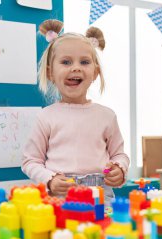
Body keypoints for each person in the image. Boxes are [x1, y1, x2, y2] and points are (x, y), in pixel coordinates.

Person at [22, 19, 129, 206]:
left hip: (101, 199)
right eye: (66, 62)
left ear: (95, 73)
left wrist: (120, 169)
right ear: (50, 73)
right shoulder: (46, 117)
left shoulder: (107, 116)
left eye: (85, 62)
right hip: (60, 200)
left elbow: (119, 155)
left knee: (101, 235)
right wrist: (50, 179)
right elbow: (30, 161)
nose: (76, 67)